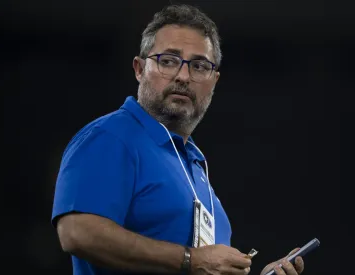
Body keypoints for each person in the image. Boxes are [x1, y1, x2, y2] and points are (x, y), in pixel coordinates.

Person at [51, 4, 306, 275]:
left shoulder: (195, 168)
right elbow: (77, 232)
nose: (183, 76)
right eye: (169, 61)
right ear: (139, 69)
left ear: (214, 81)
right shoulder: (111, 137)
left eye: (199, 66)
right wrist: (192, 259)